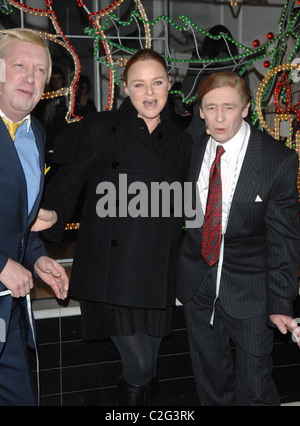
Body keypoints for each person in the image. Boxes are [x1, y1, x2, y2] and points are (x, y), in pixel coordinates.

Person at [32, 48, 192, 406]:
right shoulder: (101, 127)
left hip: (155, 273)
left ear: (169, 84)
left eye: (157, 83)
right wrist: (55, 212)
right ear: (125, 89)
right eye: (139, 84)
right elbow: (70, 178)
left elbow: (185, 206)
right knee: (138, 364)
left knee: (149, 367)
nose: (149, 93)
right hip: (111, 269)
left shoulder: (183, 141)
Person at [177, 70, 300, 406]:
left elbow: (284, 239)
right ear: (200, 110)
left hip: (251, 293)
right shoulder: (189, 148)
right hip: (198, 288)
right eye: (211, 107)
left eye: (229, 107)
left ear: (245, 108)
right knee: (211, 386)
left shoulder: (277, 160)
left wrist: (281, 303)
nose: (219, 117)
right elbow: (182, 212)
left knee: (256, 390)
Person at [0, 28, 69, 406]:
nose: (30, 77)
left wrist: (37, 257)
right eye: (19, 65)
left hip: (8, 314)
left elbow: (15, 222)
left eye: (40, 70)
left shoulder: (36, 135)